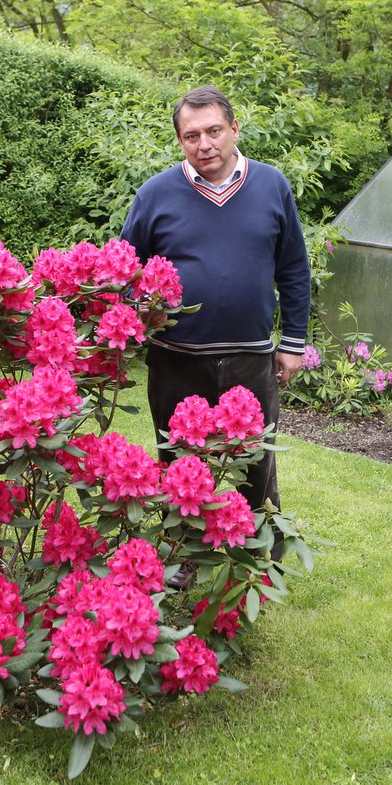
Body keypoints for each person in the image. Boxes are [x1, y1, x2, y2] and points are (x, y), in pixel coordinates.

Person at [120, 85, 311, 554]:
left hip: (251, 358)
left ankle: (257, 559)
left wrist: (293, 342)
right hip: (177, 361)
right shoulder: (155, 194)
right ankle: (184, 559)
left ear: (234, 129)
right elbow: (122, 271)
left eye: (213, 131)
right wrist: (142, 308)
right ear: (180, 141)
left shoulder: (272, 186)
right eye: (191, 136)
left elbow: (293, 269)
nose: (204, 144)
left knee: (254, 464)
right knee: (179, 466)